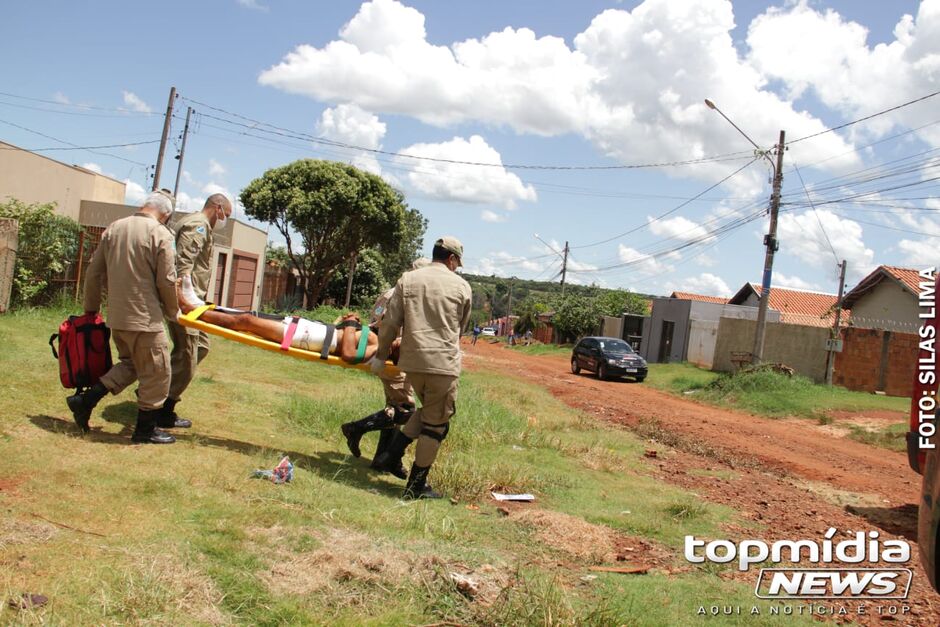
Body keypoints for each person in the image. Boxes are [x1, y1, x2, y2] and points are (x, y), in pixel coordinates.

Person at [66, 190, 181, 444]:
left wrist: (91, 309)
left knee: (132, 365)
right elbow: (167, 280)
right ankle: (144, 431)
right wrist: (173, 312)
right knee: (158, 371)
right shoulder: (161, 234)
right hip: (145, 318)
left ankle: (84, 401)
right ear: (167, 214)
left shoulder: (113, 229)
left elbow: (93, 272)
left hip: (117, 317)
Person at [371, 237, 472, 499]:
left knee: (428, 411)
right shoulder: (462, 286)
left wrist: (381, 356)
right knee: (436, 425)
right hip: (442, 363)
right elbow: (460, 328)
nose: (456, 267)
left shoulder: (408, 280)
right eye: (456, 263)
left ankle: (390, 454)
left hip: (412, 362)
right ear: (451, 259)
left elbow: (390, 323)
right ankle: (416, 486)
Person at [339, 258, 432, 479]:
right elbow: (389, 327)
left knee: (394, 405)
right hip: (391, 353)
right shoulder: (406, 296)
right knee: (404, 409)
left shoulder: (390, 292)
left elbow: (375, 318)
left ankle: (383, 460)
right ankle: (356, 429)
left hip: (386, 350)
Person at [176, 276, 395, 364]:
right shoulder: (377, 333)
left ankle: (189, 307)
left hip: (308, 338)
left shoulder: (379, 346)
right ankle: (199, 305)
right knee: (250, 316)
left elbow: (348, 354)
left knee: (246, 322)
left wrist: (349, 326)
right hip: (312, 330)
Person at [165, 193, 233, 430]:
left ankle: (157, 392)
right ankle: (162, 407)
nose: (225, 219)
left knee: (200, 346)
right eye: (227, 214)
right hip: (186, 302)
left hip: (195, 301)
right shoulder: (198, 225)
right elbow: (184, 262)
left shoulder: (198, 223)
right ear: (218, 207)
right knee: (187, 355)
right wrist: (184, 297)